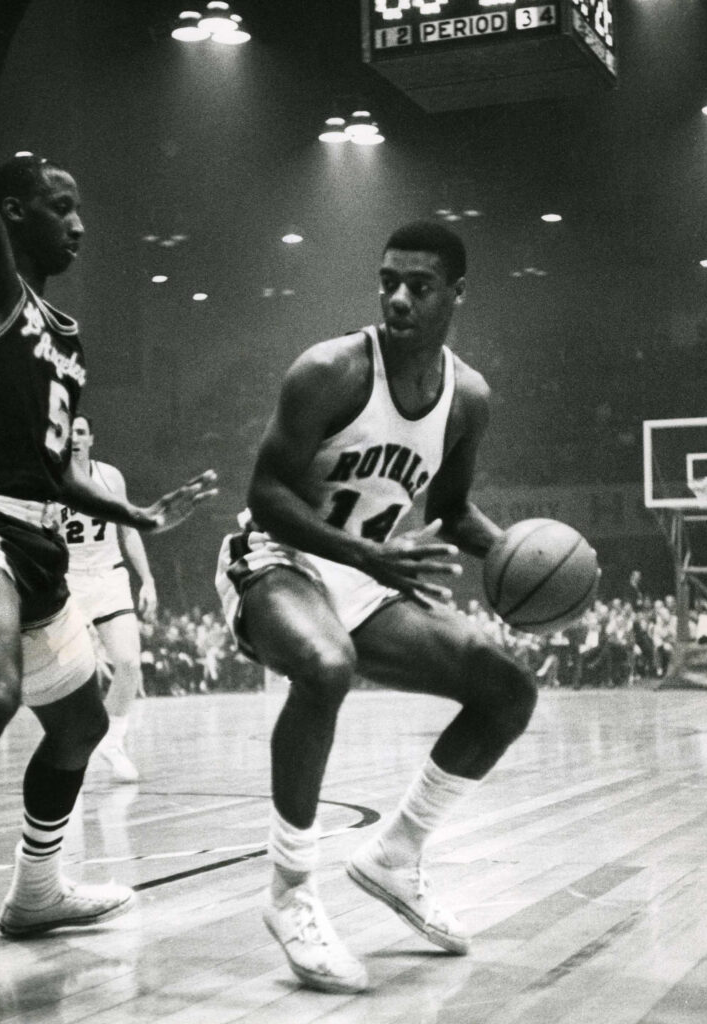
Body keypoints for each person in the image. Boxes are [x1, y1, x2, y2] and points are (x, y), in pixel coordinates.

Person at [216, 220, 537, 993]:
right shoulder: (328, 371)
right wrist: (370, 554)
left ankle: (394, 855)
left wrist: (519, 561)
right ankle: (290, 891)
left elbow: (454, 510)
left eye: (419, 286)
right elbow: (264, 496)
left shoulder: (467, 398)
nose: (398, 299)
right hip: (277, 559)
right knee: (327, 666)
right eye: (388, 281)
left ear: (456, 295)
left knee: (508, 690)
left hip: (361, 578)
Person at [0, 0, 216, 936]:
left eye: (81, 208)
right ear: (10, 215)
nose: (80, 223)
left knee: (80, 726)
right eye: (61, 206)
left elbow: (60, 467)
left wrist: (142, 516)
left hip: (34, 538)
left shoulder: (65, 335)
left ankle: (36, 893)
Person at [61, 414, 158, 783]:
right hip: (67, 579)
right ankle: (69, 748)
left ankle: (112, 742)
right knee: (73, 675)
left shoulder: (110, 477)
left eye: (81, 432)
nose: (75, 438)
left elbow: (129, 531)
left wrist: (147, 579)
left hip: (109, 575)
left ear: (91, 439)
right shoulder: (47, 479)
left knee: (129, 662)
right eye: (68, 432)